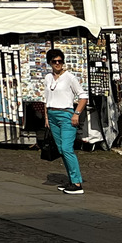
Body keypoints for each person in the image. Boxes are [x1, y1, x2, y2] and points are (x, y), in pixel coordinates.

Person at [44, 48, 89, 194]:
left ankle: (77, 183)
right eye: (54, 61)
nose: (57, 64)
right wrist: (46, 117)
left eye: (60, 61)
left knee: (67, 148)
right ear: (50, 63)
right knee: (61, 149)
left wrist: (76, 114)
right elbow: (46, 99)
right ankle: (71, 179)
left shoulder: (69, 77)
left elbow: (83, 96)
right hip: (52, 114)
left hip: (66, 115)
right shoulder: (48, 78)